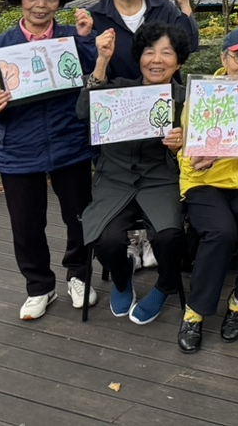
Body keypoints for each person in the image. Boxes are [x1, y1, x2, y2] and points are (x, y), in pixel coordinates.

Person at [0, 0, 98, 320]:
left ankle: (79, 275)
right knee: (26, 225)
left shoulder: (72, 39)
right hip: (19, 150)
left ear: (59, 2)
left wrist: (87, 39)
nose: (40, 4)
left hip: (70, 144)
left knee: (79, 218)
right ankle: (39, 286)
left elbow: (95, 78)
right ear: (20, 0)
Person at [77, 22, 190, 325]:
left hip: (162, 176)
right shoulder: (118, 90)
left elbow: (201, 151)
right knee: (106, 238)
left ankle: (165, 285)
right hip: (115, 176)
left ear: (178, 61)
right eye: (149, 51)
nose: (157, 59)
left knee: (169, 235)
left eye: (167, 53)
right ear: (139, 57)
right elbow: (83, 112)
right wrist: (102, 60)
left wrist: (179, 147)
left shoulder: (187, 99)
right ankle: (122, 279)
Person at [176, 27, 238, 353]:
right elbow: (186, 148)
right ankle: (195, 312)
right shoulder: (205, 91)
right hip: (205, 179)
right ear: (224, 58)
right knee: (220, 232)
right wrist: (196, 163)